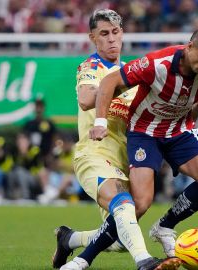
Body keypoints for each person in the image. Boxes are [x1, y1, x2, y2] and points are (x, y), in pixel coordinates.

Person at [53, 9, 180, 270]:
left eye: (115, 32)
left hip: (124, 161)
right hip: (94, 155)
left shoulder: (129, 72)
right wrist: (117, 85)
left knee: (119, 238)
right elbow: (87, 99)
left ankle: (69, 239)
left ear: (122, 34)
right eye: (104, 34)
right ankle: (145, 262)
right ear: (93, 38)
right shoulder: (92, 67)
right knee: (122, 203)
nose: (111, 39)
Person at [90, 25, 198, 258]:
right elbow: (109, 81)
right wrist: (100, 121)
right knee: (140, 203)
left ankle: (164, 227)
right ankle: (83, 252)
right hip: (145, 133)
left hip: (179, 132)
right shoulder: (156, 64)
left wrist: (187, 123)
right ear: (190, 46)